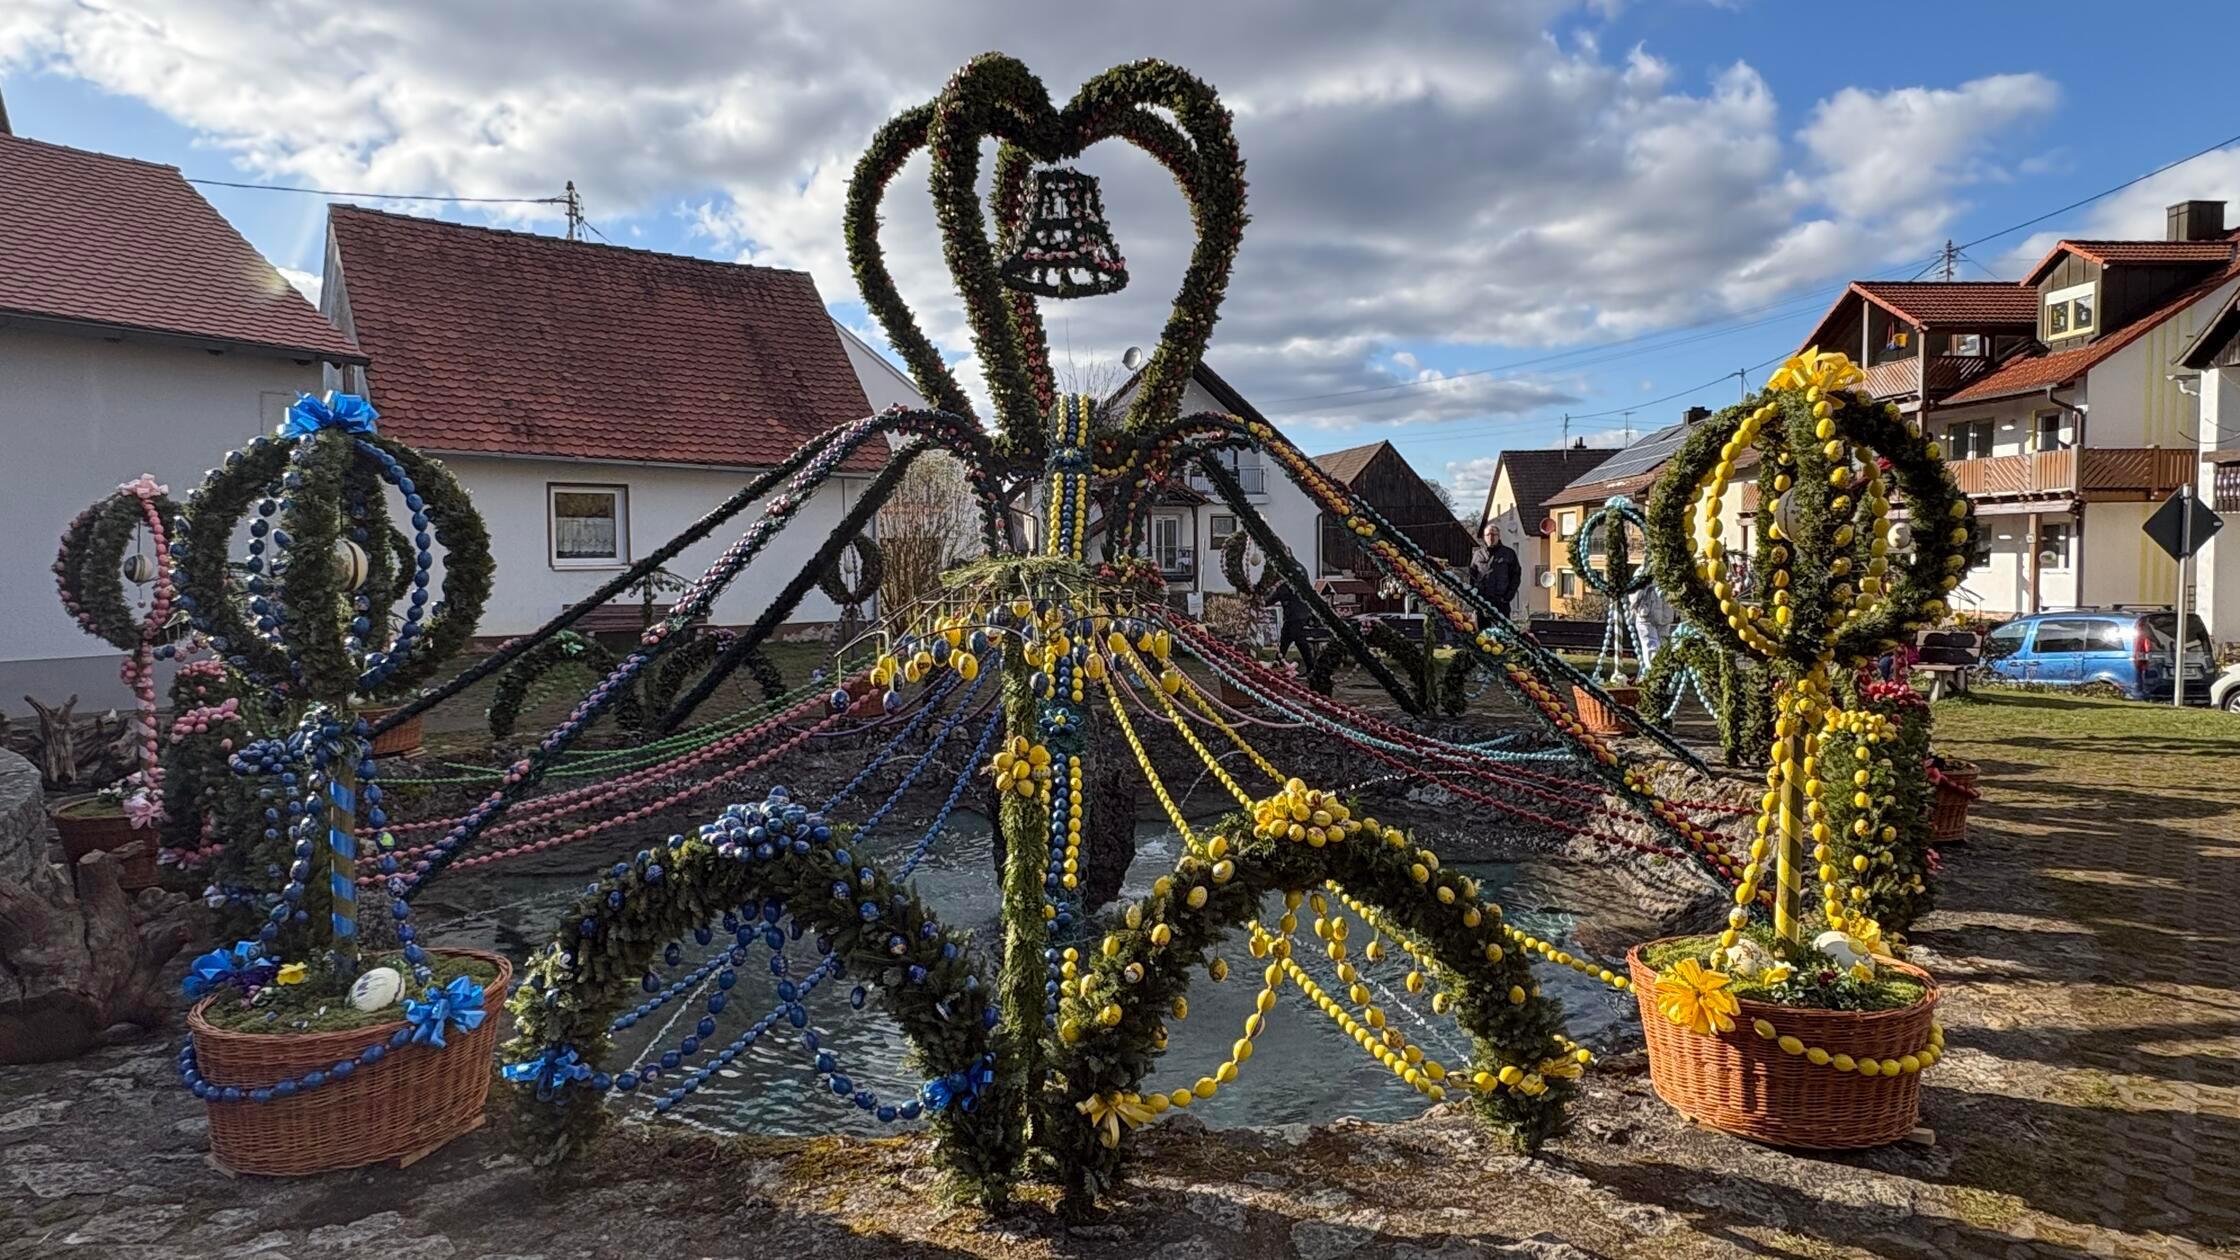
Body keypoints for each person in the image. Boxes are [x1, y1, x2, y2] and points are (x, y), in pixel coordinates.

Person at [1469, 522, 1522, 621]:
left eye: (1494, 534)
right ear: (1484, 537)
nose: (1491, 537)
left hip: (1501, 602)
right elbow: (1472, 577)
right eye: (1488, 535)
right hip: (1482, 602)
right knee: (1483, 634)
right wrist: (1474, 597)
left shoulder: (1509, 554)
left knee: (1502, 633)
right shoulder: (1477, 555)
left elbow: (1516, 576)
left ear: (1499, 536)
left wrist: (1507, 597)